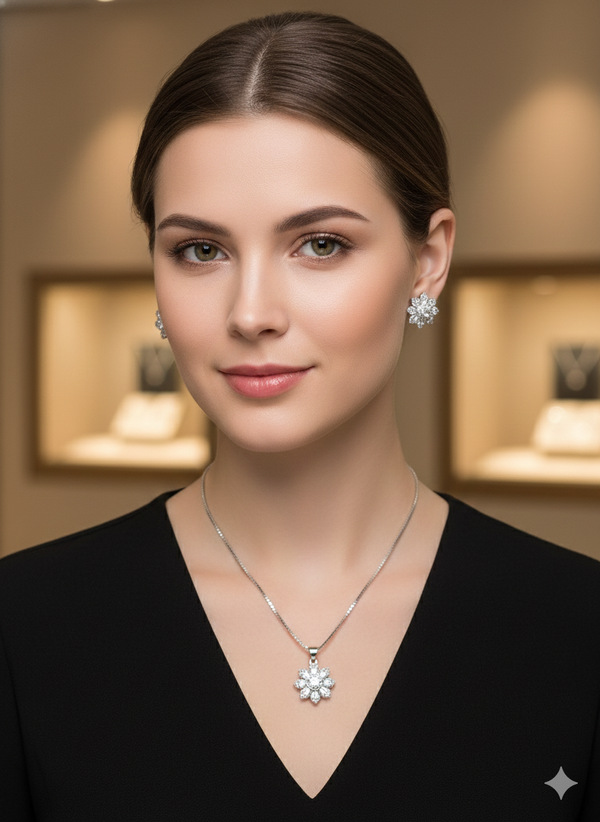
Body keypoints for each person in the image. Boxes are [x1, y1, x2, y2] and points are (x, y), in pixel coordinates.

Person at [1, 11, 599, 820]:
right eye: (200, 251)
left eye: (319, 244)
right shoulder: (26, 625)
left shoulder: (576, 629)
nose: (252, 313)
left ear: (429, 260)